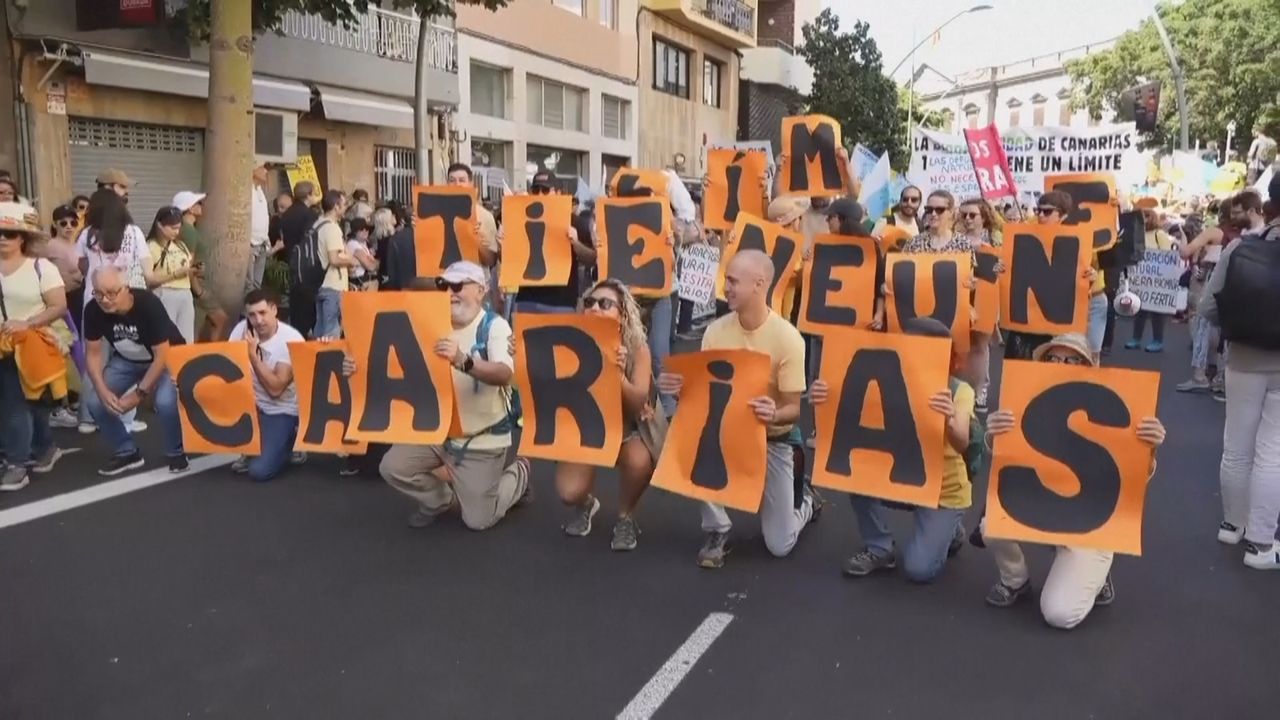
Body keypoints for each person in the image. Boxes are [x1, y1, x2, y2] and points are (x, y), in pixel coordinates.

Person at [982, 333, 1166, 628]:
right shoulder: (1027, 401)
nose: (1060, 364)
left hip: (1091, 522)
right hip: (1045, 505)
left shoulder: (1108, 408)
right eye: (1053, 358)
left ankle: (1096, 575)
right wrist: (993, 434)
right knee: (991, 524)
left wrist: (1149, 448)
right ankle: (1015, 580)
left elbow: (1132, 481)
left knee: (1059, 614)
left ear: (1088, 365)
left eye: (1071, 359)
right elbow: (1008, 467)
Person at [658, 249, 821, 568]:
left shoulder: (788, 339)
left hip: (773, 440)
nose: (725, 288)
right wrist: (680, 392)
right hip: (727, 433)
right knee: (688, 441)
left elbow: (793, 411)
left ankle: (806, 505)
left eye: (733, 281)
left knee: (779, 545)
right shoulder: (716, 331)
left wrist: (773, 413)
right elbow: (700, 399)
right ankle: (717, 528)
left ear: (759, 284)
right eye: (726, 280)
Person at [368, 261, 532, 530]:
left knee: (479, 521)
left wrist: (463, 360)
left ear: (481, 290)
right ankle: (440, 501)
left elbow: (503, 373)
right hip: (439, 433)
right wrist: (352, 364)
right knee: (392, 467)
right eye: (444, 286)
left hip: (481, 440)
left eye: (458, 285)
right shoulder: (431, 324)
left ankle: (519, 474)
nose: (450, 293)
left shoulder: (494, 327)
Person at [811, 317, 972, 582]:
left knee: (919, 571)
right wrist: (822, 402)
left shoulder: (958, 390)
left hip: (942, 491)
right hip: (895, 479)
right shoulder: (885, 376)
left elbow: (962, 442)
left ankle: (950, 527)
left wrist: (950, 418)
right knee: (854, 473)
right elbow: (842, 432)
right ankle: (879, 547)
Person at [544, 279, 664, 550]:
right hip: (585, 431)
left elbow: (638, 402)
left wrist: (618, 376)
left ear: (622, 315)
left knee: (639, 461)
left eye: (604, 303)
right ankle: (586, 503)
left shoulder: (636, 349)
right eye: (589, 302)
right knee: (568, 492)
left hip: (623, 431)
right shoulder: (566, 344)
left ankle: (625, 517)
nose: (594, 308)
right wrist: (525, 357)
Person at [1199, 180, 1280, 569]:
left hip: (1242, 359)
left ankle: (1232, 524)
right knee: (1273, 453)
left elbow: (1208, 308)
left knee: (1236, 445)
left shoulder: (1239, 247)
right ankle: (1262, 545)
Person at [82, 266, 187, 475]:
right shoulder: (93, 309)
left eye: (111, 293)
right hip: (128, 359)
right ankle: (126, 450)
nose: (104, 299)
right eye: (99, 293)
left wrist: (138, 395)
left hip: (168, 356)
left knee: (165, 402)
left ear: (126, 288)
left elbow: (162, 355)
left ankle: (176, 451)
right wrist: (103, 391)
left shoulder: (148, 304)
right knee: (95, 402)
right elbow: (93, 354)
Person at [0, 202, 70, 490]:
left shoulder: (42, 268)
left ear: (23, 238)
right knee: (25, 404)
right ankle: (43, 448)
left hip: (30, 345)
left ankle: (16, 462)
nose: (3, 238)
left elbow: (58, 306)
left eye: (10, 233)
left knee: (19, 404)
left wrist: (26, 323)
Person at [77, 188, 156, 435]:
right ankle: (124, 415)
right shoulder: (133, 232)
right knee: (129, 359)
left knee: (95, 360)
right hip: (126, 302)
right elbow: (147, 268)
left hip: (94, 301)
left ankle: (87, 418)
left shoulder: (87, 234)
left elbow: (80, 265)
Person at [228, 290, 305, 482]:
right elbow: (226, 368)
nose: (258, 320)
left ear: (274, 310)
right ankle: (254, 444)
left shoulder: (291, 339)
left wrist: (253, 356)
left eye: (262, 313)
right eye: (252, 315)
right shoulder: (240, 330)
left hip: (281, 409)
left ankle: (290, 442)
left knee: (259, 471)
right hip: (251, 405)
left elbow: (276, 390)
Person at [173, 190, 228, 342]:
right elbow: (188, 263)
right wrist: (198, 290)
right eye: (199, 203)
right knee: (217, 319)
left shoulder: (184, 229)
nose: (201, 206)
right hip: (195, 284)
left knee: (196, 325)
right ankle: (209, 353)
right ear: (190, 208)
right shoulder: (188, 231)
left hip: (192, 283)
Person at [1125, 198, 1176, 353]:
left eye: (1146, 215)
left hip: (1157, 280)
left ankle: (1157, 340)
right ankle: (1136, 338)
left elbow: (1167, 255)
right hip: (1141, 279)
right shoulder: (1136, 233)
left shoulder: (1159, 234)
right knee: (1139, 309)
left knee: (1157, 312)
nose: (1143, 218)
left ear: (1152, 217)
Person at [145, 206, 196, 343]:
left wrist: (193, 271)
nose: (176, 232)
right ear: (160, 225)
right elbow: (149, 280)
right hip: (165, 292)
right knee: (165, 336)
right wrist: (174, 275)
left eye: (178, 228)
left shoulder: (181, 246)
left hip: (185, 292)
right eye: (172, 228)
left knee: (186, 337)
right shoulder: (151, 246)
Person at [280, 182, 321, 335]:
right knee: (307, 307)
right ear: (309, 195)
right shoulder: (309, 215)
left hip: (291, 260)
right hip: (306, 265)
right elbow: (311, 241)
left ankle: (296, 335)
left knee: (295, 304)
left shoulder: (287, 214)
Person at [313, 190, 354, 338]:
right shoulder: (332, 228)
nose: (345, 208)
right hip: (333, 285)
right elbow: (334, 259)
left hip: (319, 283)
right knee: (331, 331)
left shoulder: (317, 224)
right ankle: (331, 360)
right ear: (336, 206)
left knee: (320, 329)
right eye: (343, 205)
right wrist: (350, 261)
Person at [248, 165, 271, 291]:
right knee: (249, 284)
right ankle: (247, 311)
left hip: (262, 243)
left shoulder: (260, 190)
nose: (266, 171)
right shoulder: (248, 190)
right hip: (251, 244)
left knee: (257, 284)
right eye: (262, 167)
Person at [345, 217, 378, 291]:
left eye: (367, 229)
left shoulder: (364, 244)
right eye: (361, 229)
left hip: (367, 282)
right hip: (360, 283)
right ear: (355, 232)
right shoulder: (353, 244)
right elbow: (370, 266)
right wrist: (376, 262)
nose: (365, 231)